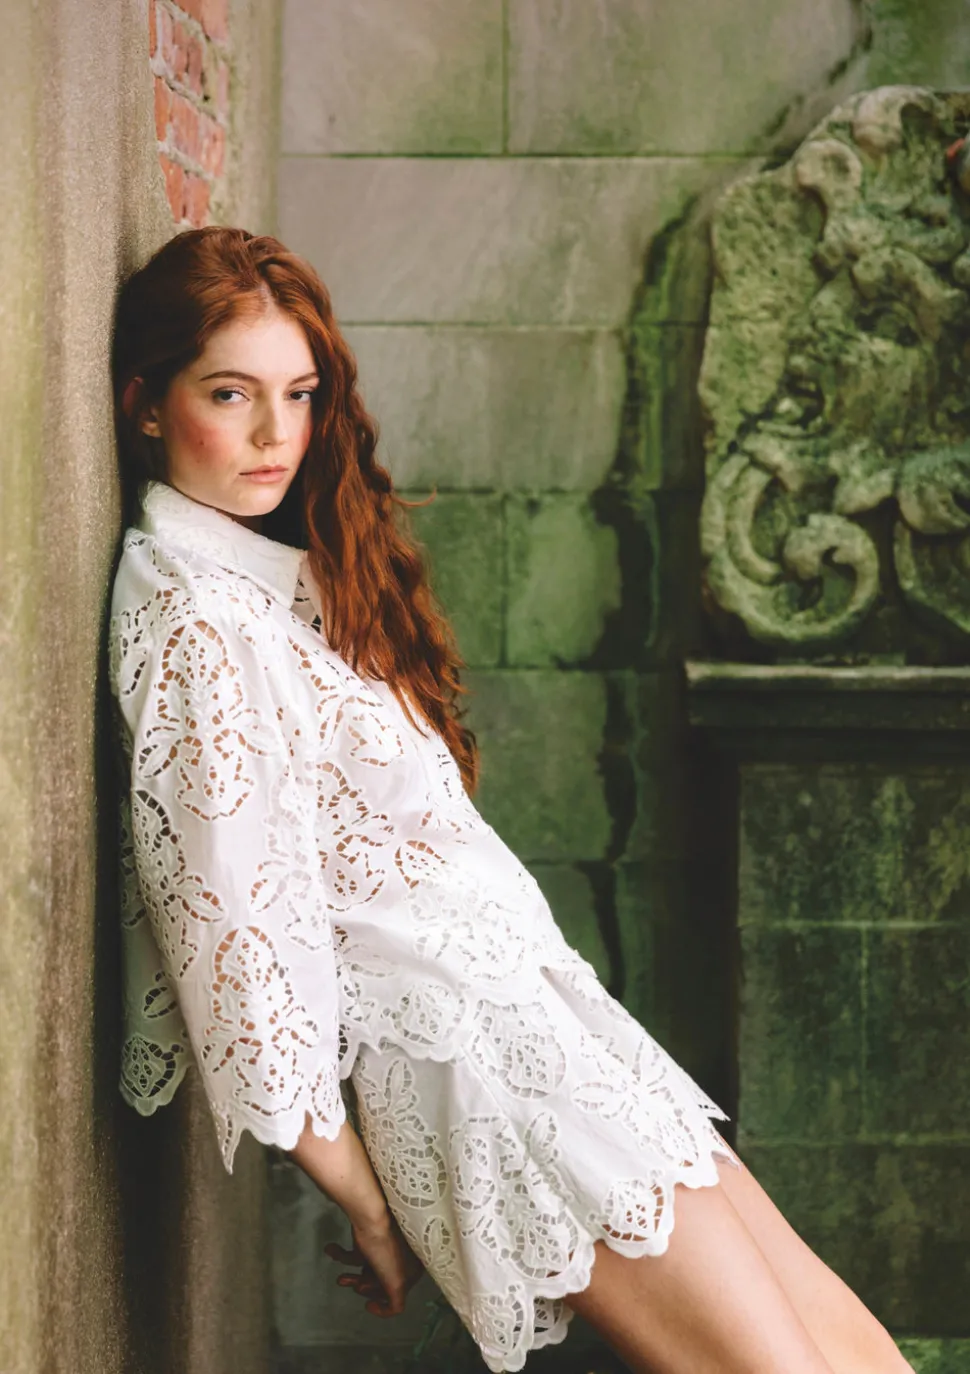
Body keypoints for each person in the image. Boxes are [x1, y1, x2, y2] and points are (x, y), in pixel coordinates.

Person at [109, 226, 911, 1374]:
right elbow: (226, 927)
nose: (276, 434)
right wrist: (364, 1197)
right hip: (470, 1063)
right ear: (146, 405)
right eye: (230, 395)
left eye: (299, 394)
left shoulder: (271, 584)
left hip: (547, 1018)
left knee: (855, 1353)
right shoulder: (194, 613)